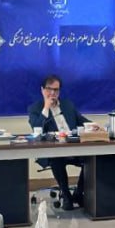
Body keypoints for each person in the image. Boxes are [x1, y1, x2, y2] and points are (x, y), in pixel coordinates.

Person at [29, 74, 90, 210]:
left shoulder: (67, 105)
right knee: (56, 159)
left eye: (56, 90)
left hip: (74, 146)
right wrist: (46, 108)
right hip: (53, 151)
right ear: (42, 90)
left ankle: (79, 193)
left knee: (91, 158)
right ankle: (66, 195)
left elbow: (82, 121)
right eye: (49, 89)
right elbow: (36, 129)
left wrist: (94, 126)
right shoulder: (35, 108)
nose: (52, 93)